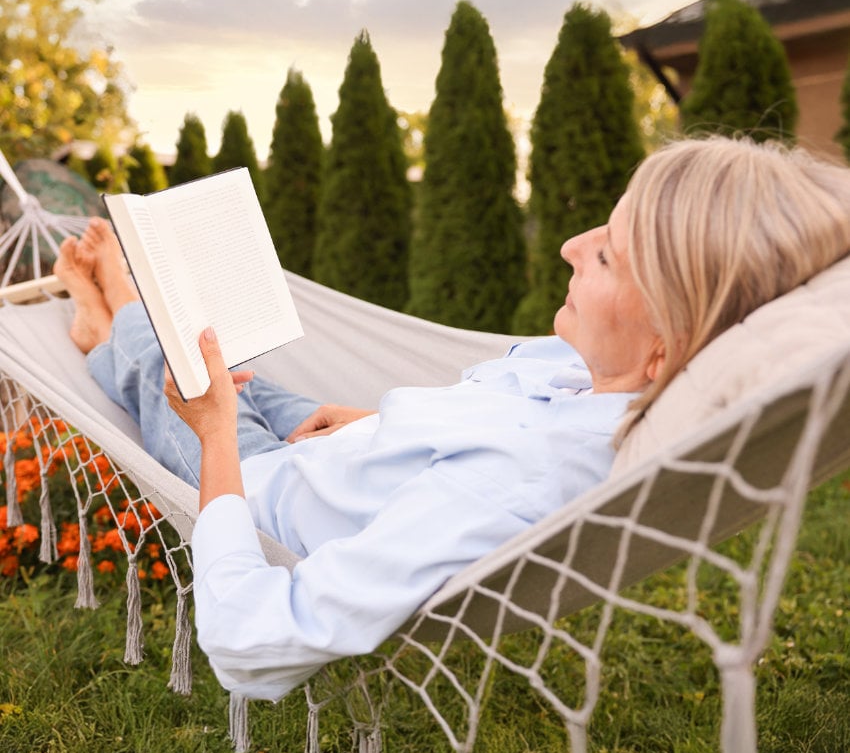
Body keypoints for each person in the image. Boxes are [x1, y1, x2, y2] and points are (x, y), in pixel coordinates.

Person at [54, 136, 850, 702]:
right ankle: (124, 327)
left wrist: (217, 434)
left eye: (607, 256)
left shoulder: (509, 488)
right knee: (224, 357)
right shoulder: (595, 375)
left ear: (665, 344)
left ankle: (109, 314)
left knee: (175, 366)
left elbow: (252, 643)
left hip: (262, 489)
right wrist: (373, 426)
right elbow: (480, 435)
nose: (572, 245)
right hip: (355, 448)